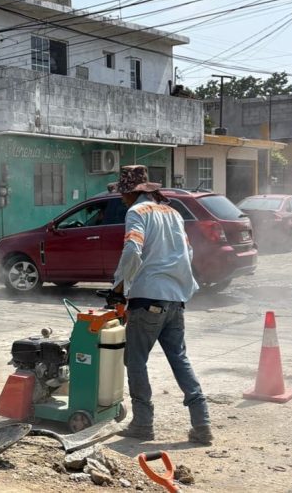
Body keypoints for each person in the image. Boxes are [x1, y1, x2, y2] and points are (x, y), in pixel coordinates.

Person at [111, 165, 212, 445]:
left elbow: (132, 249)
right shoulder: (174, 213)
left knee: (135, 360)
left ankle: (143, 424)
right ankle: (202, 423)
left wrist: (119, 286)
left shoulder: (136, 213)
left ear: (133, 193)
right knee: (179, 359)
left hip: (148, 297)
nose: (121, 199)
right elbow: (187, 251)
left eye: (122, 194)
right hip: (176, 297)